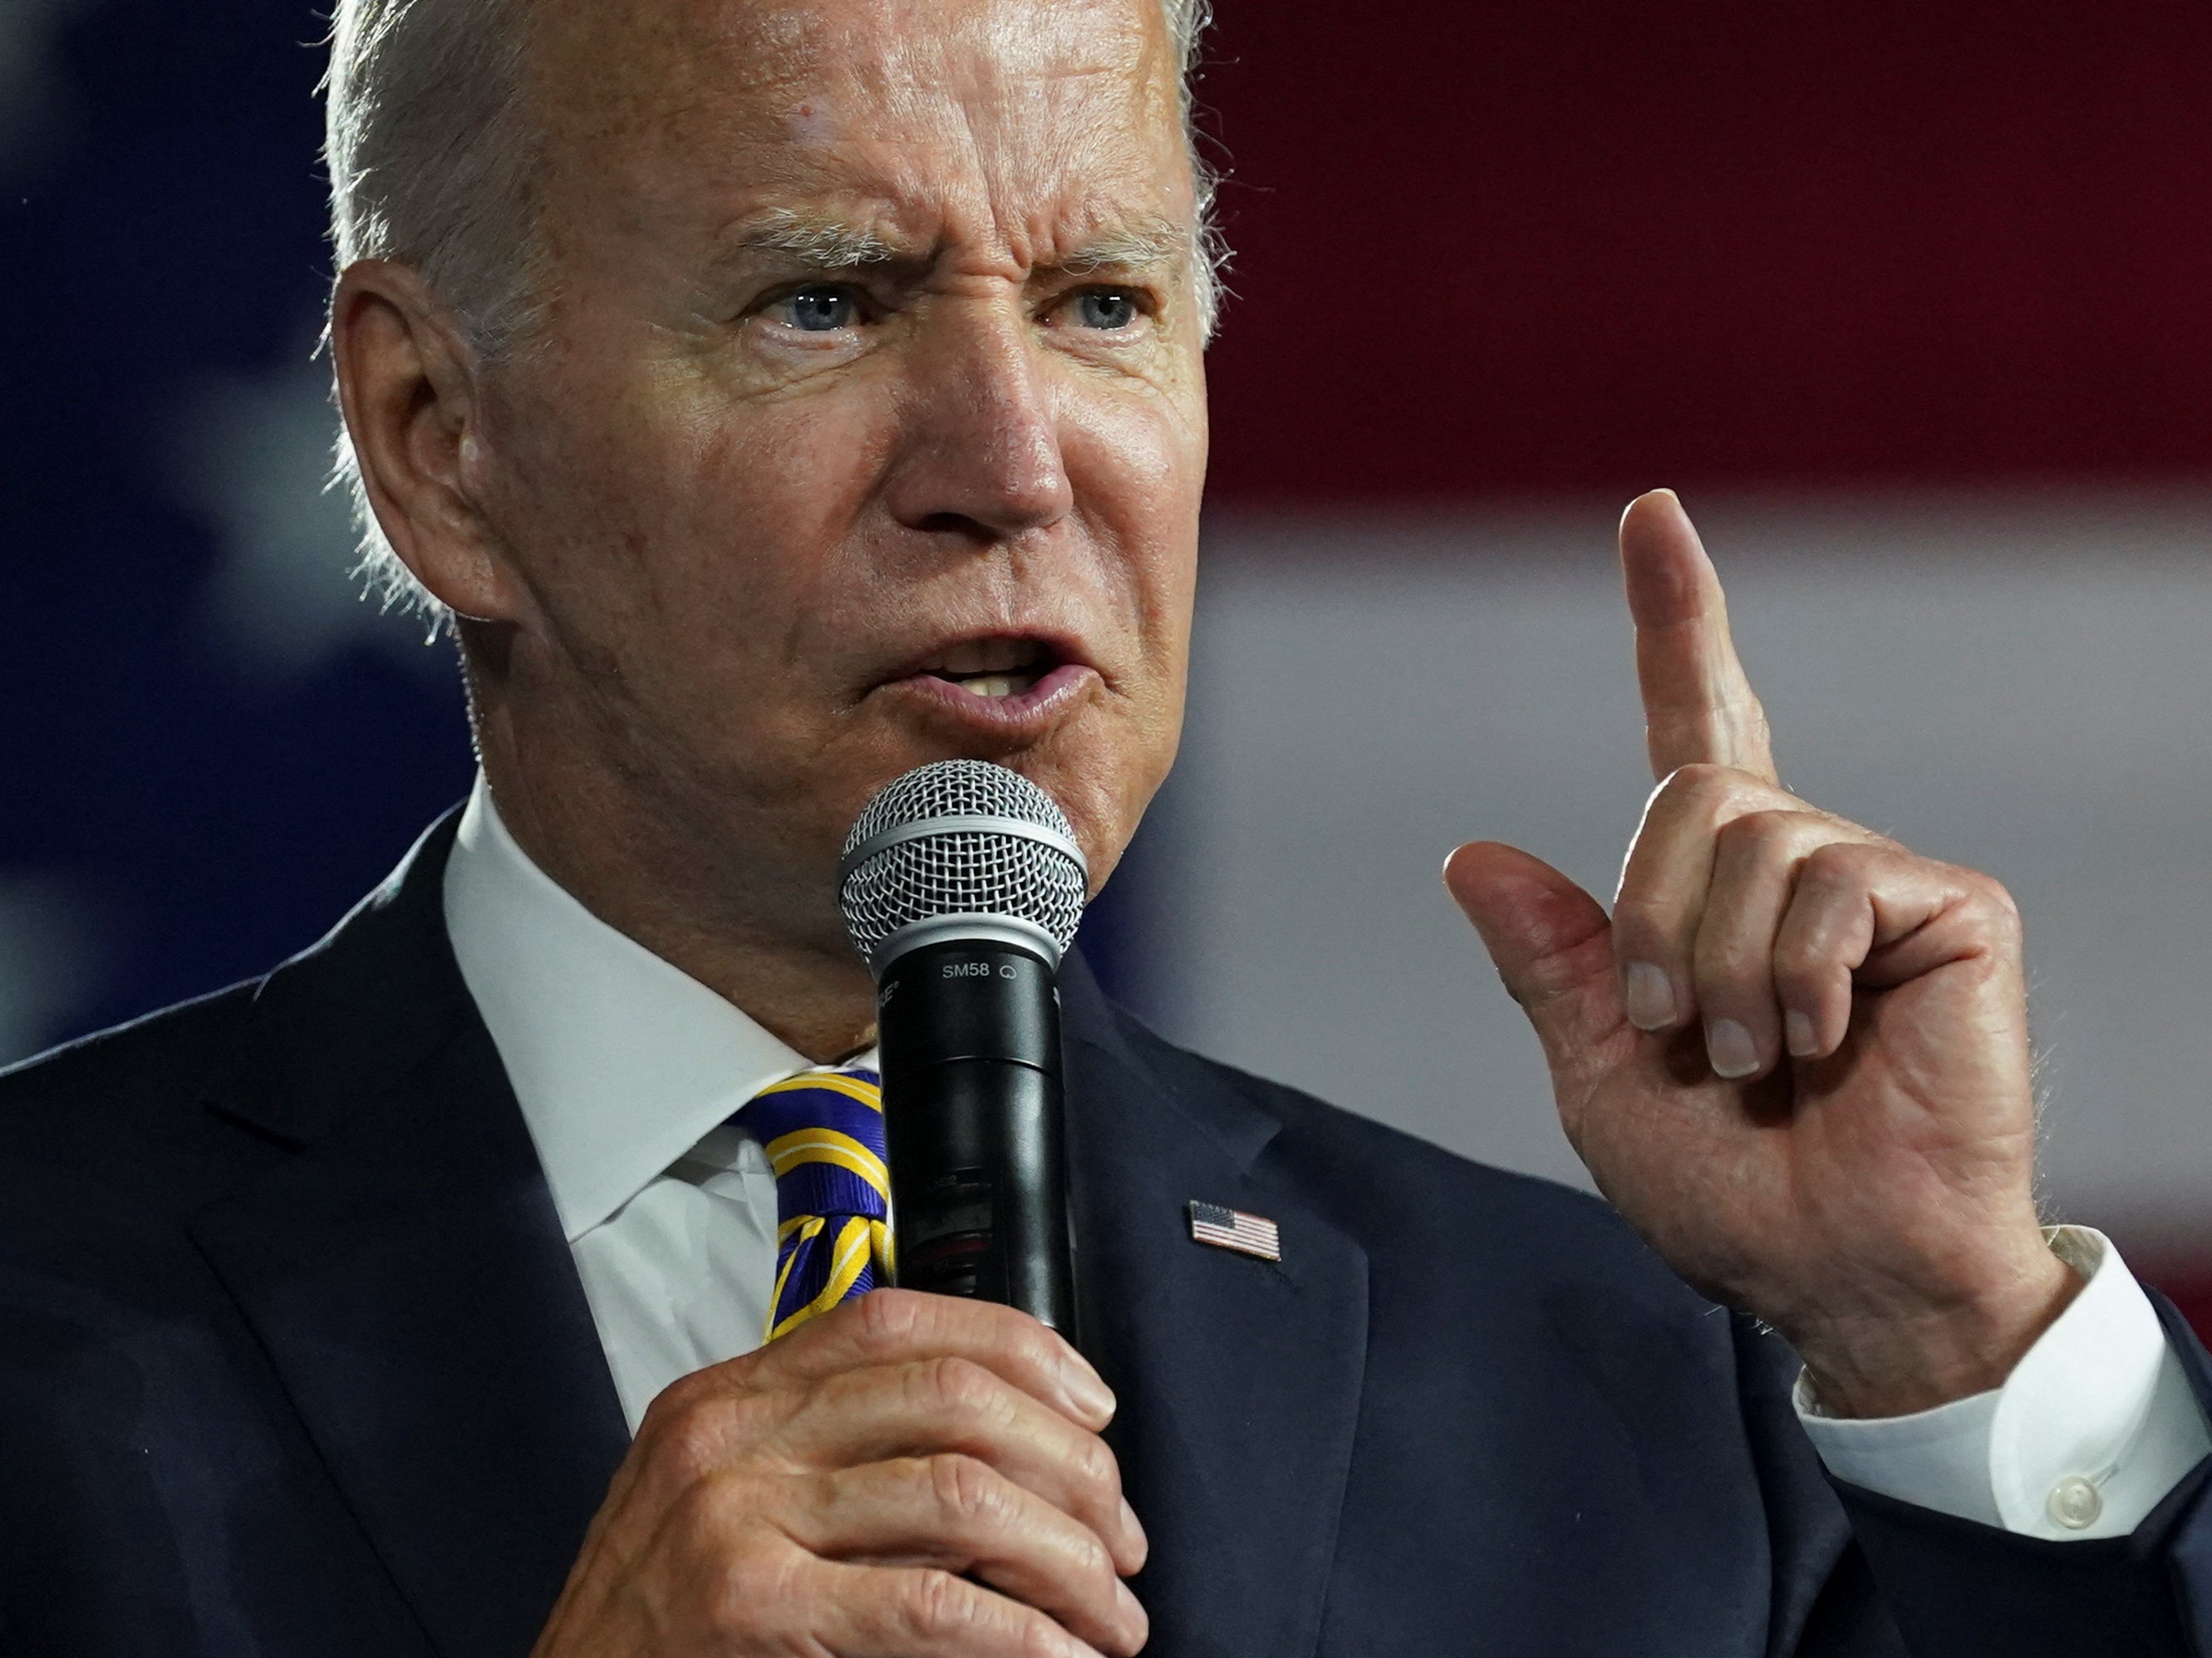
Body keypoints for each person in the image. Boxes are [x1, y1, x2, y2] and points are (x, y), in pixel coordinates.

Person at [1, 0, 2207, 1650]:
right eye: (826, 300)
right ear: (434, 434)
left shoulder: (1622, 1391)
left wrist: (1947, 1346)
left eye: (1099, 304)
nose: (1017, 460)